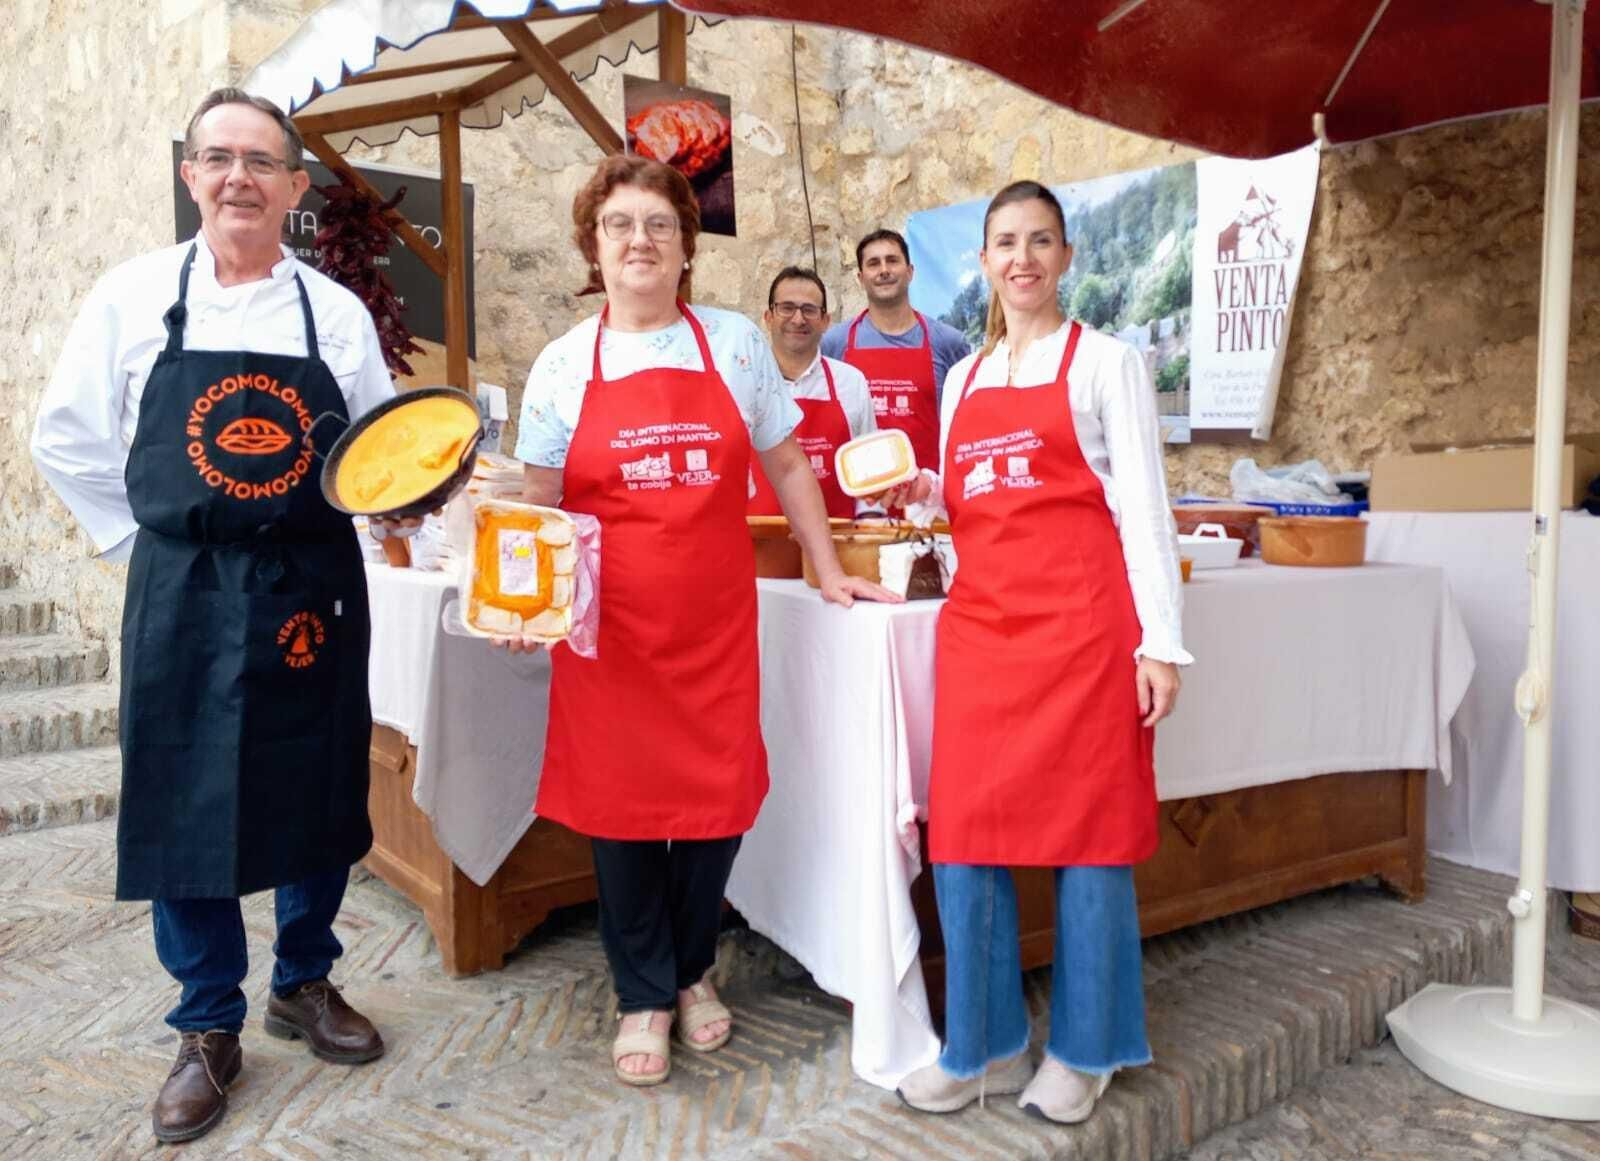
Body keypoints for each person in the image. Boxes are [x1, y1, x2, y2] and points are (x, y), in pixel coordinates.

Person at [30, 88, 391, 1145]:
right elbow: (67, 439)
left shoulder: (335, 312)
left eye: (260, 162)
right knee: (184, 787)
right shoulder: (132, 297)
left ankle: (305, 979)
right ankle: (205, 1024)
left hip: (310, 581)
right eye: (217, 158)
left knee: (318, 773)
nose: (238, 177)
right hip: (184, 585)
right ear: (191, 175)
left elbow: (373, 453)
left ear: (292, 187)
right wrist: (136, 542)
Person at [510, 155, 898, 1088]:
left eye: (657, 225)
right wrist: (527, 598)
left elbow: (794, 467)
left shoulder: (730, 343)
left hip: (712, 623)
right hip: (611, 633)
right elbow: (536, 505)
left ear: (686, 246)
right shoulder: (565, 364)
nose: (638, 241)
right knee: (622, 815)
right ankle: (644, 989)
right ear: (594, 248)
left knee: (715, 806)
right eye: (618, 226)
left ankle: (692, 966)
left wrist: (826, 564)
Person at [880, 181, 1189, 1124]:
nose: (1022, 259)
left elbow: (1143, 508)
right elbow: (973, 508)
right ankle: (982, 1044)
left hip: (1086, 635)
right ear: (983, 261)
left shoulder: (1107, 362)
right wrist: (927, 492)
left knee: (1089, 841)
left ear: (1065, 257)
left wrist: (1161, 644)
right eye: (1005, 242)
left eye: (1040, 241)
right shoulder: (962, 380)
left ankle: (1088, 1047)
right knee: (966, 833)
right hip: (982, 634)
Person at [820, 229, 971, 477]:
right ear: (860, 277)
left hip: (928, 501)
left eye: (892, 260)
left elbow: (968, 423)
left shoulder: (948, 342)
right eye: (873, 263)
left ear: (910, 272)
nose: (884, 270)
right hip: (861, 500)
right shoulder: (835, 344)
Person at [749, 266, 875, 519]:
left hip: (836, 543)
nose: (798, 319)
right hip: (759, 546)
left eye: (809, 310)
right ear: (768, 317)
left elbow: (869, 473)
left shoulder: (850, 382)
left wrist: (870, 527)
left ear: (825, 321)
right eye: (786, 308)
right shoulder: (743, 383)